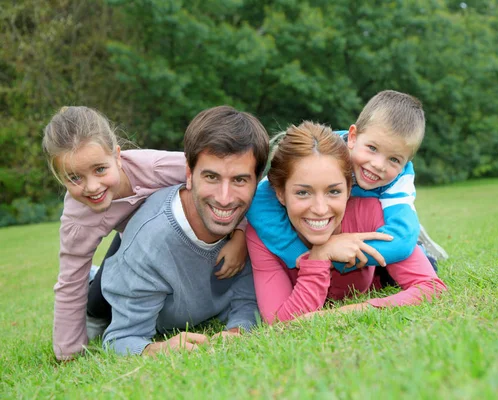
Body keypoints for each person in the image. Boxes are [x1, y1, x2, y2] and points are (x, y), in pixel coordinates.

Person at [42, 106, 248, 361]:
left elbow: (225, 182)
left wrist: (239, 235)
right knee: (100, 301)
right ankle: (94, 298)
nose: (92, 186)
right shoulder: (78, 220)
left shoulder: (159, 166)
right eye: (74, 178)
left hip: (156, 235)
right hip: (129, 243)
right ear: (60, 177)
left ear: (117, 156)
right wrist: (67, 353)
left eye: (100, 170)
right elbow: (69, 280)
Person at [101, 105, 269, 356]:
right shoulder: (150, 245)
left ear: (256, 182)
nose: (225, 198)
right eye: (211, 177)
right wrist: (158, 349)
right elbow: (121, 338)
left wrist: (239, 330)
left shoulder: (257, 218)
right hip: (115, 288)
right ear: (189, 175)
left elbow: (249, 300)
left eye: (239, 180)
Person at [246, 121, 446, 323]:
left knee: (407, 262)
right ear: (280, 193)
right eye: (303, 192)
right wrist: (318, 258)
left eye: (334, 191)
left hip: (382, 271)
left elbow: (432, 288)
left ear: (349, 189)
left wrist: (344, 313)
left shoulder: (370, 211)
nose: (320, 209)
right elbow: (279, 322)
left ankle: (418, 242)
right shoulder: (264, 233)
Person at [246, 90, 448, 280]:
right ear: (352, 137)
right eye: (372, 148)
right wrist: (297, 253)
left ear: (406, 163)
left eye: (394, 159)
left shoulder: (400, 178)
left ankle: (419, 243)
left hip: (373, 215)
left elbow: (402, 240)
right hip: (329, 218)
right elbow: (259, 200)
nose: (378, 165)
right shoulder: (325, 154)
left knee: (412, 255)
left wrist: (339, 254)